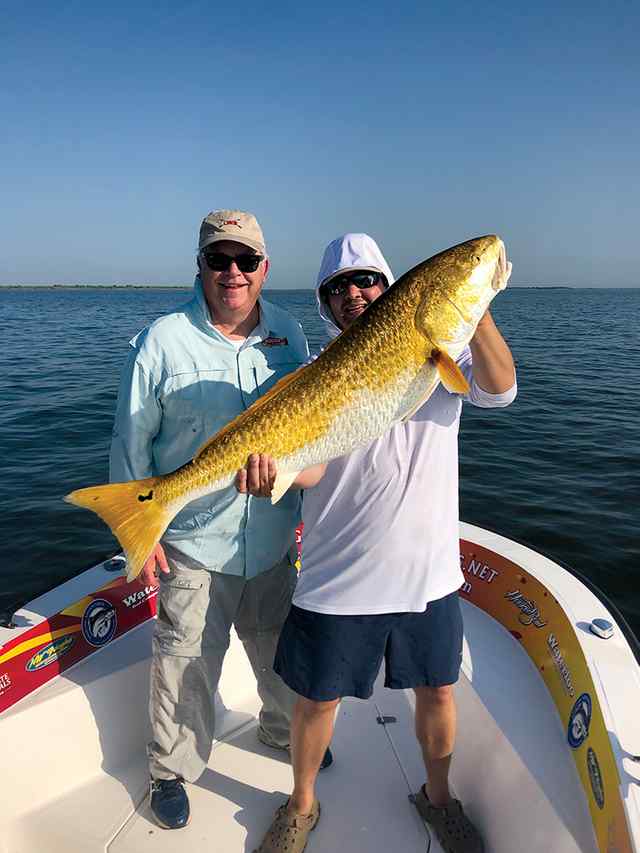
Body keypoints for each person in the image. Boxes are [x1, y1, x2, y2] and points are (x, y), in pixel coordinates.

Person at [238, 233, 517, 853]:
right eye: (337, 288)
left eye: (366, 280)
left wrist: (476, 304)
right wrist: (271, 474)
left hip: (428, 573)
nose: (353, 294)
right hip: (337, 573)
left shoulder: (450, 357)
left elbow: (501, 389)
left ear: (394, 289)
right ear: (325, 305)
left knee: (439, 690)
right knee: (315, 703)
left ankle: (437, 799)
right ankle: (301, 806)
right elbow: (308, 469)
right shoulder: (311, 378)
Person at [109, 210, 312, 830]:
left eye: (245, 260)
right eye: (218, 259)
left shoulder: (291, 334)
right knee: (187, 660)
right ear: (199, 266)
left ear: (265, 268)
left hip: (274, 538)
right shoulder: (161, 340)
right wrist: (136, 532)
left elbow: (308, 429)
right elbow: (131, 441)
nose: (233, 273)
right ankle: (172, 769)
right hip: (194, 541)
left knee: (278, 649)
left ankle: (283, 732)